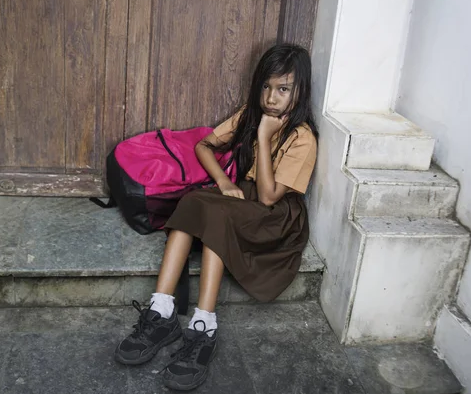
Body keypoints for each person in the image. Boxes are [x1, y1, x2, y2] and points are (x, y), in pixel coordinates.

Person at [114, 43, 318, 391]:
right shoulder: (249, 114)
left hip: (275, 216)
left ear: (300, 91)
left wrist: (264, 137)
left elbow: (270, 195)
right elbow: (203, 145)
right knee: (194, 202)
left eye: (283, 89)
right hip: (243, 197)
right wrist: (223, 181)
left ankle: (203, 326)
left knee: (218, 219)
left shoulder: (302, 138)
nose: (271, 98)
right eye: (266, 87)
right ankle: (161, 311)